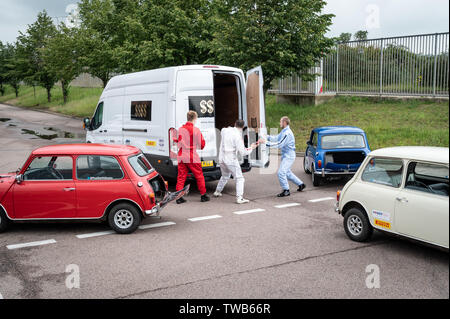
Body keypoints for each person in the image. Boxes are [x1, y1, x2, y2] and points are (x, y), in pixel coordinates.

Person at [213, 119, 258, 204]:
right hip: (231, 159)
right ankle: (239, 198)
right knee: (240, 178)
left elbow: (223, 129)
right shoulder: (237, 137)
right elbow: (243, 152)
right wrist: (252, 147)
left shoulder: (224, 130)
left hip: (221, 158)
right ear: (242, 127)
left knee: (225, 175)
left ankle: (217, 191)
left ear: (235, 124)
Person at [260, 116, 305, 197]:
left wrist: (265, 142)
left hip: (289, 156)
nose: (279, 123)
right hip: (287, 155)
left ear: (284, 123)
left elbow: (279, 144)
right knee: (287, 173)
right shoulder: (284, 131)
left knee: (281, 172)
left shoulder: (287, 133)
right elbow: (277, 138)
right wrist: (267, 136)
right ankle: (301, 184)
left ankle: (286, 190)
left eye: (280, 122)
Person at [175, 111, 210, 204]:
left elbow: (176, 141)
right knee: (199, 175)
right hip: (191, 155)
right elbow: (202, 145)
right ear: (195, 118)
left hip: (182, 154)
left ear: (187, 118)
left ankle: (179, 197)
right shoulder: (196, 130)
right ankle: (203, 195)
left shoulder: (181, 129)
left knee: (181, 176)